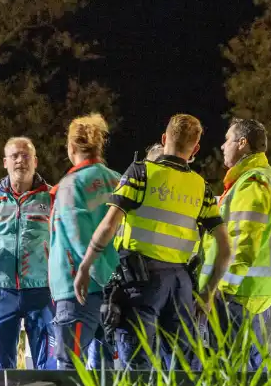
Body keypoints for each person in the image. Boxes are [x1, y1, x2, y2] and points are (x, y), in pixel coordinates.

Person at [72, 113, 231, 371]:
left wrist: (85, 266)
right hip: (180, 285)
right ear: (196, 148)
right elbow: (225, 249)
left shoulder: (141, 172)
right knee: (182, 369)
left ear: (164, 138)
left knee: (137, 365)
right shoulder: (202, 188)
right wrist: (207, 294)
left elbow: (108, 225)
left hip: (141, 282)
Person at [197, 118, 271, 371]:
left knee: (235, 374)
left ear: (242, 143)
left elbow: (243, 241)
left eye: (227, 139)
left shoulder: (252, 182)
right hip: (252, 291)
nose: (223, 145)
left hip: (238, 293)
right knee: (249, 369)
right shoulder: (263, 177)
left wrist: (220, 288)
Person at [48, 115, 122, 369]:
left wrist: (97, 275)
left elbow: (79, 238)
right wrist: (113, 283)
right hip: (116, 292)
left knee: (69, 368)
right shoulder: (118, 179)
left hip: (78, 290)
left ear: (71, 148)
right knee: (107, 372)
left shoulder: (71, 185)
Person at [0, 137, 55, 369]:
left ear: (35, 161)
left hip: (42, 290)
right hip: (0, 291)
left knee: (48, 365)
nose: (20, 161)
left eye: (26, 156)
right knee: (1, 369)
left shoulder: (51, 198)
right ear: (5, 162)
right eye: (14, 156)